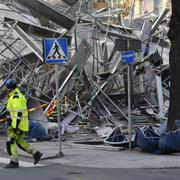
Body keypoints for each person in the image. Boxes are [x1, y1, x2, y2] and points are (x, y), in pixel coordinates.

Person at [4, 79, 43, 168]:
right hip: (19, 123)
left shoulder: (16, 97)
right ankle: (36, 153)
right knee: (19, 141)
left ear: (10, 88)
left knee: (10, 142)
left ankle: (14, 162)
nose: (6, 89)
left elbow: (18, 113)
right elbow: (12, 111)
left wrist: (15, 126)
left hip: (17, 124)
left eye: (7, 88)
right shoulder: (15, 95)